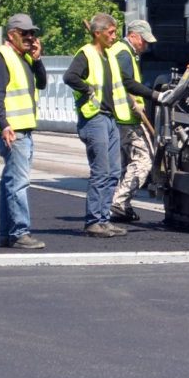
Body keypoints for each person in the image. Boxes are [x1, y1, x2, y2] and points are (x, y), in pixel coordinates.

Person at [63, 14, 133, 238]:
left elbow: (124, 82)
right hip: (94, 118)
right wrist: (87, 89)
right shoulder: (86, 54)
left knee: (113, 172)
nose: (114, 36)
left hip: (110, 118)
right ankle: (94, 221)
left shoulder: (109, 56)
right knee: (101, 171)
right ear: (98, 33)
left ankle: (104, 219)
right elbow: (70, 76)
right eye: (111, 33)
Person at [0, 14, 47, 250]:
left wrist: (38, 59)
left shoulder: (25, 58)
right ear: (12, 34)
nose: (31, 38)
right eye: (25, 34)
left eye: (33, 34)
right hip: (14, 131)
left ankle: (6, 234)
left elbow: (42, 83)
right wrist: (4, 125)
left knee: (10, 183)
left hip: (23, 129)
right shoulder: (1, 57)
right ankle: (20, 232)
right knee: (19, 184)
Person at [108, 20, 163, 224]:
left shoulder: (121, 51)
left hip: (122, 117)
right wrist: (152, 96)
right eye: (144, 41)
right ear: (134, 36)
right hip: (126, 117)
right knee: (143, 161)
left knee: (127, 164)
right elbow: (125, 82)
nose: (146, 46)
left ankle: (121, 205)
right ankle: (120, 202)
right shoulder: (123, 53)